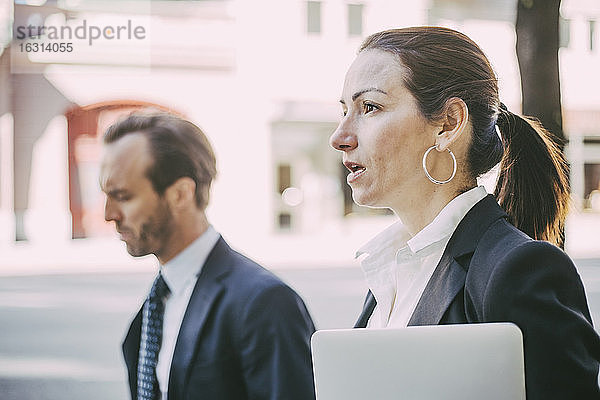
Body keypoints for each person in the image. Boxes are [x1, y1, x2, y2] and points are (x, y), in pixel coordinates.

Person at [329, 26, 600, 399]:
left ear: (449, 123)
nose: (340, 136)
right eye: (344, 111)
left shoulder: (518, 272)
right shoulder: (390, 272)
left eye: (370, 108)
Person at [100, 111, 316, 400]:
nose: (108, 214)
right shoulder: (161, 298)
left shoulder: (264, 302)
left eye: (123, 196)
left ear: (181, 194)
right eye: (106, 195)